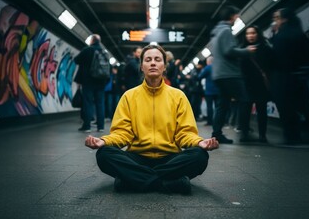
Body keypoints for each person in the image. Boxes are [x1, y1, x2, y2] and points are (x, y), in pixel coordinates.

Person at [85, 44, 219, 194]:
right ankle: (170, 183)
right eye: (148, 60)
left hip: (170, 158)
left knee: (199, 155)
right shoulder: (129, 96)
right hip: (137, 158)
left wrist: (199, 142)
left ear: (164, 66)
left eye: (157, 59)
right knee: (104, 154)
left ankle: (133, 181)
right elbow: (123, 133)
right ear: (141, 66)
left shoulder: (178, 96)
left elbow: (184, 133)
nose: (153, 63)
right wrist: (104, 141)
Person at [208, 5, 256, 144]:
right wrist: (247, 51)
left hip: (219, 74)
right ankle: (244, 133)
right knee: (245, 100)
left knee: (222, 104)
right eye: (237, 15)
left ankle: (217, 133)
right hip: (229, 73)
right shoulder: (225, 31)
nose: (238, 18)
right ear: (232, 16)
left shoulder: (217, 32)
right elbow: (229, 51)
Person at [270, 8, 309, 145]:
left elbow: (276, 59)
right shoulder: (299, 34)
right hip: (298, 78)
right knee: (303, 106)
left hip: (283, 79)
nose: (275, 21)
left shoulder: (282, 36)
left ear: (285, 19)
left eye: (277, 18)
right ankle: (306, 134)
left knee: (287, 109)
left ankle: (292, 137)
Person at [240, 25, 274, 142]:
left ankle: (262, 135)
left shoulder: (266, 48)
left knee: (262, 111)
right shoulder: (242, 49)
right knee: (245, 110)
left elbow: (271, 66)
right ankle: (244, 133)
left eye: (253, 33)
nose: (250, 36)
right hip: (246, 84)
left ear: (258, 34)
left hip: (261, 84)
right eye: (248, 34)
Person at [74, 34, 108, 132]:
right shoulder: (104, 52)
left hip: (88, 80)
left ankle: (87, 126)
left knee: (88, 103)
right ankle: (100, 127)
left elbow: (76, 60)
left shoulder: (88, 50)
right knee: (100, 103)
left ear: (92, 40)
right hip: (101, 81)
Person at [198, 56, 220, 126]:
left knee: (209, 107)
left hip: (209, 91)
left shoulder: (207, 68)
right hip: (218, 90)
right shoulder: (218, 67)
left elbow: (200, 76)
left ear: (208, 61)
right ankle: (217, 122)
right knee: (218, 107)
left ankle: (210, 122)